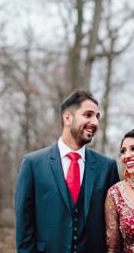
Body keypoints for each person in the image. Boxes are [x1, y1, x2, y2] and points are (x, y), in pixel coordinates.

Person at [15, 90, 120, 253]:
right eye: (88, 115)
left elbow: (114, 224)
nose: (95, 122)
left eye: (97, 117)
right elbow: (24, 226)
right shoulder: (33, 164)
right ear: (67, 118)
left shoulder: (107, 167)